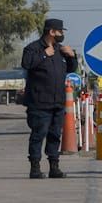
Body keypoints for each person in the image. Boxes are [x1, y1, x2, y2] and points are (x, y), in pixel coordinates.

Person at [21, 18, 78, 179]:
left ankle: (54, 167)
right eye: (60, 31)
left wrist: (72, 56)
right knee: (39, 134)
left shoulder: (60, 50)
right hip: (39, 102)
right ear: (52, 32)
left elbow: (71, 69)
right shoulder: (33, 49)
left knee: (55, 135)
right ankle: (35, 167)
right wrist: (44, 56)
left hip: (58, 102)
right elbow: (26, 63)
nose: (62, 34)